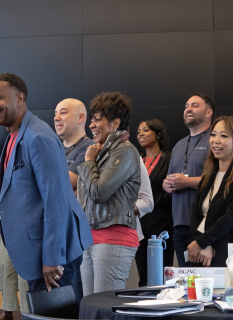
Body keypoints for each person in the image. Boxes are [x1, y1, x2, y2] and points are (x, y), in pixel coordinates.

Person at [0, 73, 93, 303]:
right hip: (34, 253)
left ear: (19, 98)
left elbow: (56, 201)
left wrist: (53, 257)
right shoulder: (15, 135)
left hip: (53, 259)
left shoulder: (38, 137)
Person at [77, 92, 141, 295]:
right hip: (89, 237)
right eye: (92, 119)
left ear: (115, 123)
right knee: (90, 307)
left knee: (104, 308)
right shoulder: (99, 152)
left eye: (98, 119)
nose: (91, 125)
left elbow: (99, 192)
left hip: (114, 237)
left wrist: (88, 163)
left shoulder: (125, 150)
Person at [188, 116, 233, 267]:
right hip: (203, 252)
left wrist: (203, 242)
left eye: (224, 135)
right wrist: (203, 243)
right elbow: (196, 214)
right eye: (213, 134)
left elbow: (232, 217)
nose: (216, 140)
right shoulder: (208, 176)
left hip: (232, 254)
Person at [163, 93, 214, 267]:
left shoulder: (214, 141)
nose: (188, 109)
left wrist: (186, 181)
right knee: (187, 283)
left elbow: (221, 181)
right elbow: (169, 178)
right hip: (179, 224)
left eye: (194, 105)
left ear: (208, 113)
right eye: (186, 106)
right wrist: (166, 184)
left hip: (203, 225)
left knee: (206, 283)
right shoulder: (179, 145)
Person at [135, 119, 174, 286]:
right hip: (139, 225)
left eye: (145, 130)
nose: (140, 134)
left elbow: (173, 194)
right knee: (143, 277)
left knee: (161, 277)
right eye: (138, 131)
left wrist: (149, 201)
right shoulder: (136, 160)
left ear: (157, 134)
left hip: (162, 225)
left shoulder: (170, 159)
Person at [54, 98, 94, 194]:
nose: (56, 118)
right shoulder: (54, 148)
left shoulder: (90, 149)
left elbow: (59, 185)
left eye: (63, 113)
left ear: (80, 118)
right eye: (55, 113)